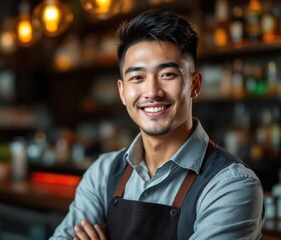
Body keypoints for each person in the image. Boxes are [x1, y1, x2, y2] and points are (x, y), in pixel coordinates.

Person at [50, 10, 264, 240]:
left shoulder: (231, 186)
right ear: (122, 92)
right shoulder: (102, 173)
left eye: (168, 74)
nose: (152, 92)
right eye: (137, 78)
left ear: (195, 84)